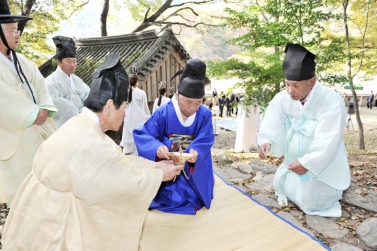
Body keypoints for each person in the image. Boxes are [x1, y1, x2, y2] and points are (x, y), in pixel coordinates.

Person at [1, 52, 183, 251]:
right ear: (109, 106)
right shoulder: (90, 143)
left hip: (34, 216)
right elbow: (122, 180)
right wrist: (158, 176)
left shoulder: (80, 125)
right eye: (124, 107)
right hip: (52, 228)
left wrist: (153, 166)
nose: (125, 114)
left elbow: (116, 162)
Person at [257, 43, 350, 217]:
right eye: (287, 84)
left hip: (323, 165)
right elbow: (273, 119)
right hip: (293, 160)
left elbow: (329, 138)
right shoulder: (283, 98)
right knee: (281, 184)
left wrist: (309, 163)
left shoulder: (331, 101)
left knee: (311, 200)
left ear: (312, 82)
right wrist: (266, 140)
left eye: (295, 85)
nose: (290, 91)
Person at [133, 58, 215, 215]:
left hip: (193, 167)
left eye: (198, 103)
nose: (192, 108)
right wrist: (157, 147)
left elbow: (205, 139)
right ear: (177, 96)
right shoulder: (163, 112)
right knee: (167, 196)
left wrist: (195, 151)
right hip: (168, 163)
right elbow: (143, 134)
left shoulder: (204, 115)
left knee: (194, 196)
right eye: (188, 102)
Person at [0, 0, 57, 208]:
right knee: (21, 196)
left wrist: (44, 108)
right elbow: (3, 99)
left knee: (44, 187)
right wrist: (32, 112)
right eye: (12, 30)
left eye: (17, 30)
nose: (18, 35)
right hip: (17, 137)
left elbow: (41, 86)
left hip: (37, 131)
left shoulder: (23, 61)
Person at [45, 36, 90, 127]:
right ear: (58, 62)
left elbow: (88, 97)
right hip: (62, 126)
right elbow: (56, 104)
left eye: (74, 61)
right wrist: (77, 114)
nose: (72, 65)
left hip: (83, 121)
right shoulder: (50, 82)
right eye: (68, 61)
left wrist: (84, 113)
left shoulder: (77, 80)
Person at [120, 66, 150, 155]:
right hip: (138, 118)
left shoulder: (126, 92)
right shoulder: (141, 93)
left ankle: (128, 151)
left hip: (128, 117)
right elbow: (145, 108)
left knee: (129, 134)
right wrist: (148, 117)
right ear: (137, 81)